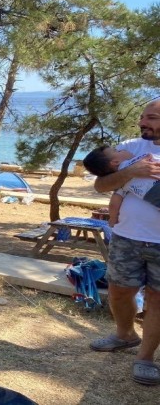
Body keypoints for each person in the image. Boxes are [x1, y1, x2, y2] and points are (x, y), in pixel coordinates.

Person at [89, 99, 160, 386]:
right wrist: (131, 172)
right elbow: (101, 185)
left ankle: (145, 357)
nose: (143, 122)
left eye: (152, 117)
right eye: (143, 116)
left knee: (157, 299)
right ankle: (124, 335)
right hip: (126, 237)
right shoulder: (131, 147)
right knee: (119, 292)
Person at [82, 145, 160, 226]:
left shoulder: (122, 181)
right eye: (117, 151)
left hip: (152, 195)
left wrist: (113, 218)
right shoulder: (142, 158)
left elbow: (114, 202)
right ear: (115, 162)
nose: (122, 150)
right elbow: (99, 187)